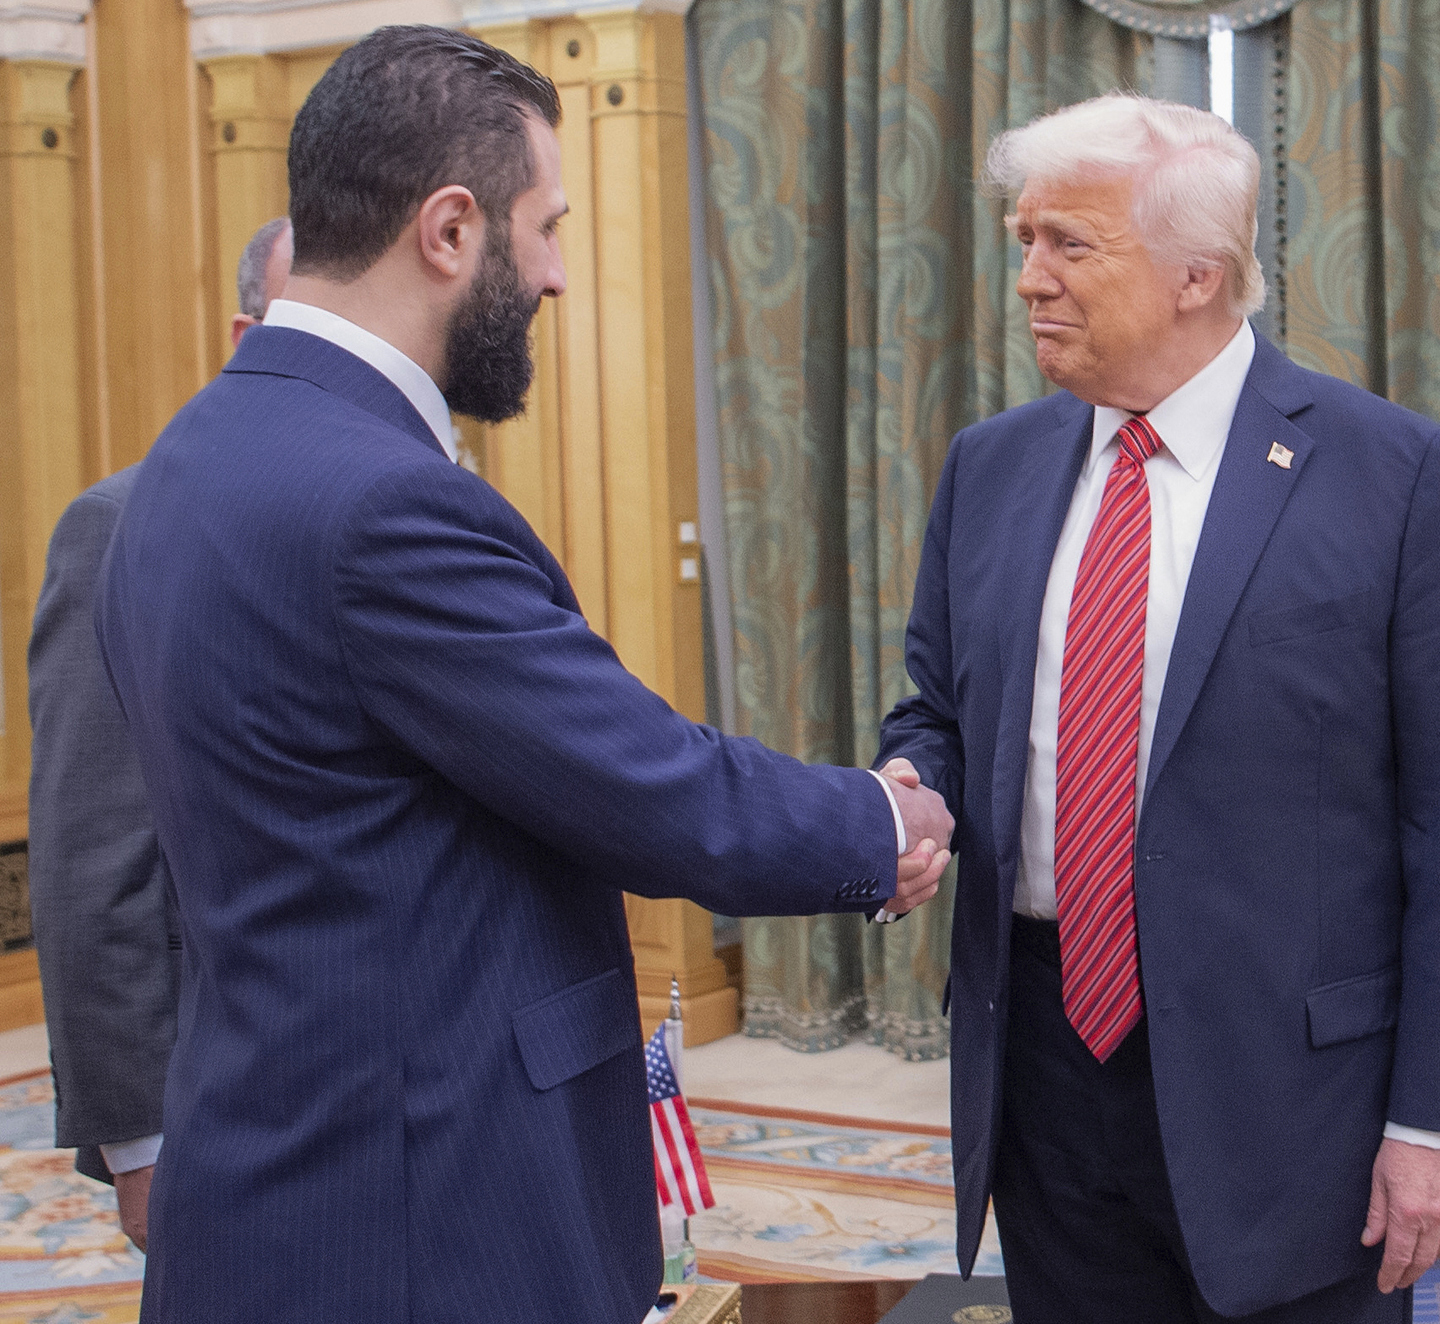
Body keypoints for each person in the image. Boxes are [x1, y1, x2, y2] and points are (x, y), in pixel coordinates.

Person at [94, 27, 951, 1323]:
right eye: (543, 227)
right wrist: (883, 822)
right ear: (450, 230)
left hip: (273, 1177)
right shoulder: (383, 504)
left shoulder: (182, 465)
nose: (555, 277)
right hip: (423, 1218)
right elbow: (652, 786)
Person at [877, 94, 1440, 1323]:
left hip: (1294, 1092)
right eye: (1023, 240)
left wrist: (1438, 1122)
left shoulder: (1394, 474)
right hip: (1047, 1061)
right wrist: (913, 788)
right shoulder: (991, 466)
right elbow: (940, 710)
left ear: (1196, 274)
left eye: (1070, 243)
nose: (1029, 278)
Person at [27, 214, 295, 1253]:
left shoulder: (438, 515)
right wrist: (140, 1145)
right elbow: (92, 863)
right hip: (224, 1093)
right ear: (246, 334)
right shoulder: (121, 528)